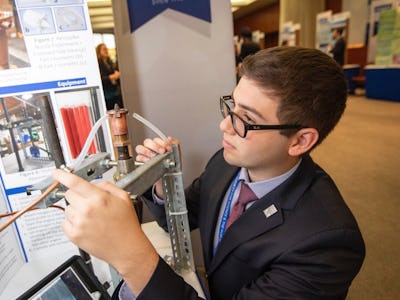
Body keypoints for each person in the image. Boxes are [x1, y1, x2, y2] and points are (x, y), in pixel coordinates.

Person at [53, 46, 365, 299]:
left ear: (300, 140)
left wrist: (129, 255)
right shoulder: (226, 162)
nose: (224, 125)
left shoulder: (327, 242)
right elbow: (182, 217)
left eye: (246, 119)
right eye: (231, 106)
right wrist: (164, 188)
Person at [96, 43, 124, 110]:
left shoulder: (109, 63)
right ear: (99, 51)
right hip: (107, 96)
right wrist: (111, 77)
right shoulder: (98, 64)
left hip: (115, 93)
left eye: (106, 49)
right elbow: (100, 79)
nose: (106, 50)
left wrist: (116, 75)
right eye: (104, 49)